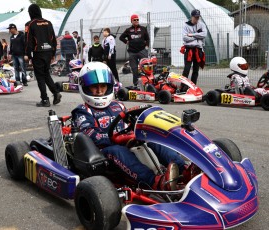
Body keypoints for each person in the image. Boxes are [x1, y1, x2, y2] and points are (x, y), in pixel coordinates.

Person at [71, 62, 188, 190]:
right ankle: (154, 181)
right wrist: (118, 137)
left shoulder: (118, 105)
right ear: (85, 87)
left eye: (103, 86)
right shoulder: (83, 110)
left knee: (152, 138)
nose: (100, 91)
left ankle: (183, 169)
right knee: (117, 151)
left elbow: (131, 122)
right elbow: (91, 135)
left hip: (128, 142)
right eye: (95, 87)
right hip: (103, 152)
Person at [24, 3, 61, 107]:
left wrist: (27, 54)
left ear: (31, 13)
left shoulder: (31, 24)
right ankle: (55, 92)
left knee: (40, 76)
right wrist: (53, 53)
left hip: (38, 53)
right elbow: (54, 39)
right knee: (46, 74)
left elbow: (28, 41)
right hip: (48, 52)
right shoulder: (48, 23)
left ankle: (45, 99)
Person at [120, 14, 150, 87]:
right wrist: (126, 41)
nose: (136, 21)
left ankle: (147, 83)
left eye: (137, 19)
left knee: (146, 68)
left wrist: (146, 46)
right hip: (132, 52)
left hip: (142, 51)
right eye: (134, 20)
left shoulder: (143, 29)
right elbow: (121, 37)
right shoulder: (128, 30)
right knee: (134, 69)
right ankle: (136, 84)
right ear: (131, 21)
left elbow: (147, 39)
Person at [182, 9, 207, 85]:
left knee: (196, 70)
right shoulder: (186, 25)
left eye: (198, 17)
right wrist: (197, 37)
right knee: (187, 69)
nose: (197, 19)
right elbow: (185, 38)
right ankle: (183, 86)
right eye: (195, 17)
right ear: (192, 17)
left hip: (198, 50)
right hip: (189, 50)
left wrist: (192, 35)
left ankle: (193, 86)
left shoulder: (202, 25)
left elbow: (204, 35)